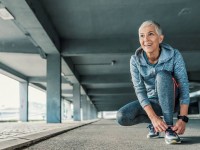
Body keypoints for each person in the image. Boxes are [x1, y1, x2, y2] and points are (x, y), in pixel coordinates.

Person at [116, 20, 190, 144]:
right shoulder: (135, 60)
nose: (146, 39)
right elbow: (139, 89)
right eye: (142, 35)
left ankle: (170, 129)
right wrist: (153, 118)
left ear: (160, 38)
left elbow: (184, 86)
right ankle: (156, 125)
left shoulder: (174, 55)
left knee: (162, 75)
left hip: (172, 101)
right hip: (153, 103)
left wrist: (183, 118)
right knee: (122, 117)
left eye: (151, 34)